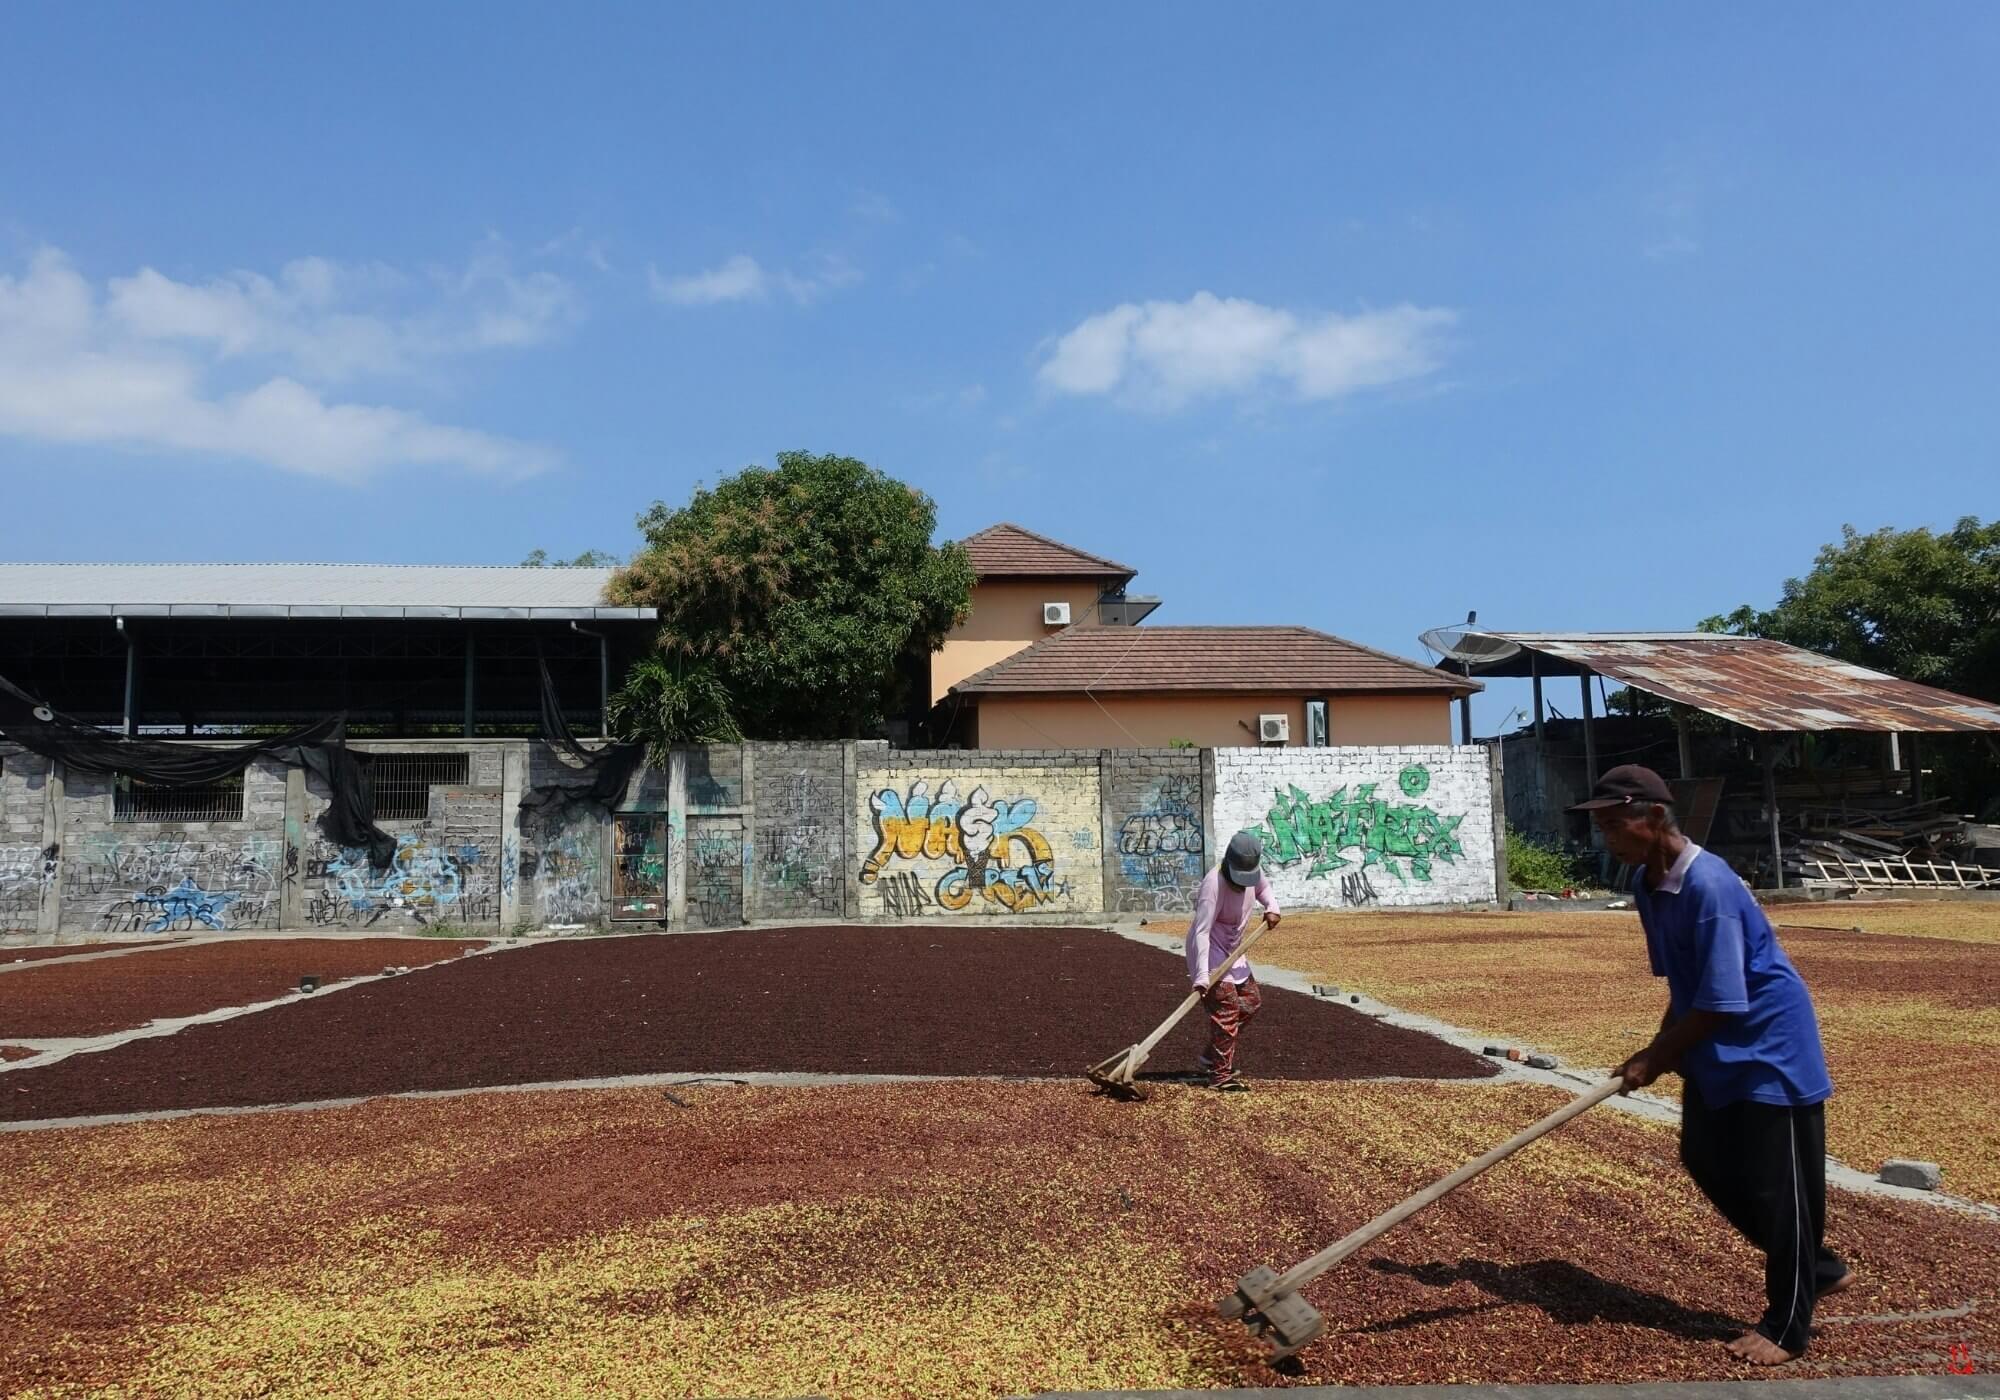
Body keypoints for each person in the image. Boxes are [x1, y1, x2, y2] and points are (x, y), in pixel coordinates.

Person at [1573, 764, 1851, 1366]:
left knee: (1782, 1192)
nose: (1606, 838)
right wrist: (1658, 1048)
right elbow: (1687, 983)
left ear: (1654, 817)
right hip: (1712, 1043)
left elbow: (1725, 1000)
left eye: (1614, 825)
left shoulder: (1711, 888)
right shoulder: (1647, 884)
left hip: (1771, 1049)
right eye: (1601, 827)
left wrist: (1658, 1056)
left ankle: (1787, 1325)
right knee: (1705, 1158)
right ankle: (1818, 1266)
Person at [1185, 830, 1282, 1091]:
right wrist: (1202, 975)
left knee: (1250, 1002)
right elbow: (1201, 932)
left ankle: (1211, 1057)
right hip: (1210, 953)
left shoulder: (1253, 870)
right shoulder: (1213, 884)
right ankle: (1220, 1076)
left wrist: (1272, 907)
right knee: (1226, 1009)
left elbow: (1264, 888)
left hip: (1234, 951)